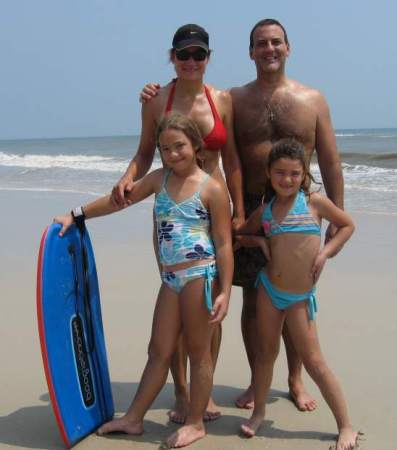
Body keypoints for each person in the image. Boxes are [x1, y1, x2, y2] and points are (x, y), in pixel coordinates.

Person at [139, 18, 344, 412]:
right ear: (250, 52)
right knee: (254, 296)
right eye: (261, 44)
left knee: (296, 295)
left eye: (276, 42)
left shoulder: (312, 99)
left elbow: (332, 162)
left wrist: (337, 211)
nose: (269, 49)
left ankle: (295, 379)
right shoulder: (235, 98)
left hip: (299, 208)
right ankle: (257, 381)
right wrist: (151, 89)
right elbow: (203, 123)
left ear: (288, 47)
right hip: (251, 207)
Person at [54, 113, 233, 448]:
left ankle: (196, 423)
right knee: (158, 350)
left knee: (199, 352)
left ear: (195, 145)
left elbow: (223, 243)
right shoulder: (157, 179)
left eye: (179, 146)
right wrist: (77, 214)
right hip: (170, 279)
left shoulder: (213, 188)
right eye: (165, 148)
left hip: (200, 276)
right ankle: (134, 418)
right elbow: (118, 201)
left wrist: (224, 291)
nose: (173, 153)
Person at [114, 23, 244, 424]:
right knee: (174, 295)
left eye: (198, 55)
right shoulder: (155, 101)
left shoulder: (221, 99)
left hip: (213, 206)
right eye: (183, 54)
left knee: (210, 309)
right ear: (172, 57)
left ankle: (203, 394)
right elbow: (142, 152)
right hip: (175, 211)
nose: (191, 61)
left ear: (208, 59)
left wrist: (238, 209)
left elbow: (234, 159)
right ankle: (182, 391)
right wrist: (126, 178)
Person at [235, 139, 358, 450]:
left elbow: (346, 225)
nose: (286, 179)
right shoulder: (265, 210)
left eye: (293, 173)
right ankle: (259, 413)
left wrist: (325, 253)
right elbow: (243, 234)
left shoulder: (314, 202)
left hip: (300, 297)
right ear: (268, 173)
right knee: (265, 355)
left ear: (304, 174)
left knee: (314, 361)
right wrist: (259, 242)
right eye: (279, 173)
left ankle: (346, 426)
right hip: (268, 291)